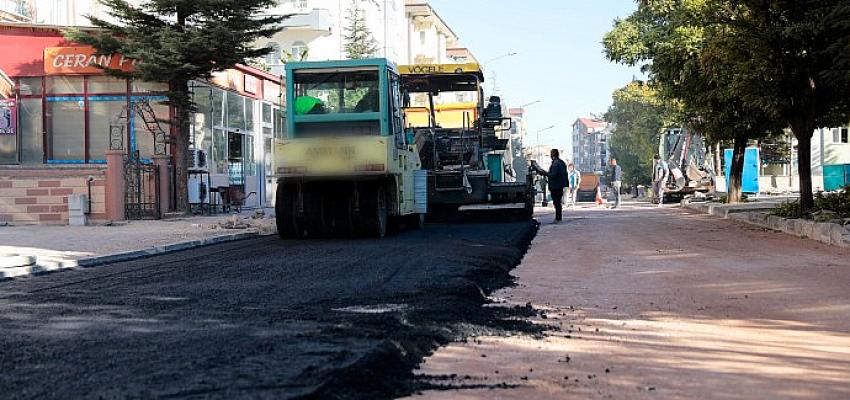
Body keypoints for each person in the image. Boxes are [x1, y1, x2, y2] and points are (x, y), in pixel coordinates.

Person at [534, 149, 568, 223]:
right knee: (558, 202)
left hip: (555, 186)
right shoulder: (561, 162)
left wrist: (544, 173)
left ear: (552, 155)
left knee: (556, 202)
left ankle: (558, 219)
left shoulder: (555, 163)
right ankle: (558, 218)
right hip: (560, 185)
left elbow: (553, 175)